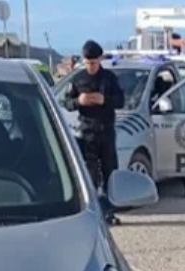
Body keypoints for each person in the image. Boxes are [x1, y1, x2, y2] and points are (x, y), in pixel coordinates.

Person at [63, 40, 125, 224]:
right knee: (89, 175)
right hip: (87, 132)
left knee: (109, 172)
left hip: (106, 131)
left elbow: (121, 101)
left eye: (94, 63)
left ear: (100, 60)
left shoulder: (109, 78)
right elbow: (66, 102)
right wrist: (78, 101)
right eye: (87, 63)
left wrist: (104, 100)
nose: (91, 66)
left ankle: (109, 212)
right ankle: (91, 212)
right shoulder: (78, 79)